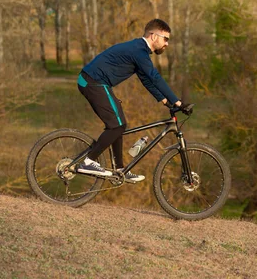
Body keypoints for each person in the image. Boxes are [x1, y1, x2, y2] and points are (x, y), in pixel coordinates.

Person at [76, 18, 190, 183]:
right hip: (92, 82)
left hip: (96, 83)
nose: (167, 44)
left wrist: (165, 101)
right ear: (153, 36)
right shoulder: (139, 51)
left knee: (119, 124)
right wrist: (178, 102)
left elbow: (146, 79)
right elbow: (155, 77)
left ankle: (119, 169)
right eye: (166, 39)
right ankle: (88, 161)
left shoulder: (139, 50)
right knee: (117, 125)